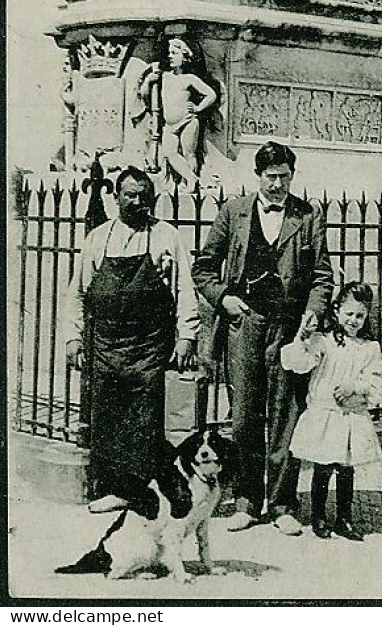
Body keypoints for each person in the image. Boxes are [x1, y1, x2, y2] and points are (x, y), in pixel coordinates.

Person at [191, 141, 334, 535]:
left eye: (285, 177)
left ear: (292, 175)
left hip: (289, 329)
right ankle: (248, 500)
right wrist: (225, 299)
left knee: (287, 415)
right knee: (245, 419)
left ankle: (284, 504)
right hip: (245, 325)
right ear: (257, 176)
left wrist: (313, 313)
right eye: (271, 177)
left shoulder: (307, 216)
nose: (277, 185)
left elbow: (322, 277)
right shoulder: (233, 212)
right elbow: (203, 268)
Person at [64, 167, 199, 512]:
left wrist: (187, 335)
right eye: (129, 195)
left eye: (143, 196)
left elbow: (184, 288)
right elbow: (78, 293)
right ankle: (113, 489)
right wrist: (73, 339)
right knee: (107, 418)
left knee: (144, 419)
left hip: (149, 345)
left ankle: (138, 490)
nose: (137, 202)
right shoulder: (98, 238)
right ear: (116, 197)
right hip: (106, 344)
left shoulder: (166, 236)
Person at [281, 281, 382, 541]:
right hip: (325, 414)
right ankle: (318, 516)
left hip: (350, 415)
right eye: (349, 313)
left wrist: (356, 385)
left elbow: (377, 379)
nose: (354, 320)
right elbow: (299, 363)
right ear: (337, 310)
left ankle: (344, 518)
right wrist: (303, 340)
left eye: (360, 315)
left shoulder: (368, 347)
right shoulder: (324, 342)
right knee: (323, 465)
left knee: (346, 467)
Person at [137, 38, 218, 190]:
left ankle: (189, 184)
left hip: (187, 121)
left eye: (174, 53)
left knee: (189, 154)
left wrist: (198, 108)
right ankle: (192, 178)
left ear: (185, 57)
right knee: (169, 153)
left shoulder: (189, 79)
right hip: (169, 124)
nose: (170, 56)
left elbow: (211, 95)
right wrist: (148, 81)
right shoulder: (164, 76)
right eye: (169, 53)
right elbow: (144, 95)